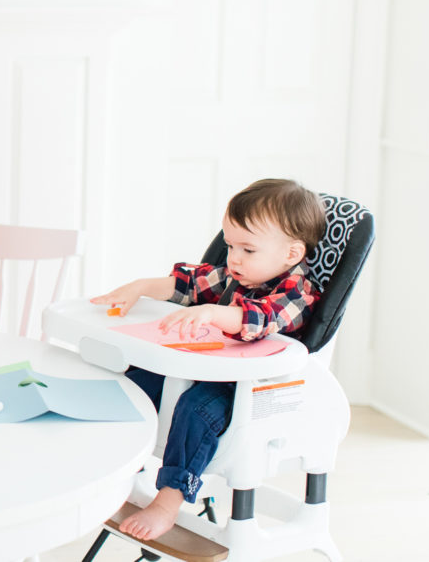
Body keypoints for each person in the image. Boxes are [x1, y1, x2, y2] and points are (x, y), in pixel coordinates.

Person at [90, 178, 326, 541]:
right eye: (230, 245)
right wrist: (140, 287)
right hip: (205, 371)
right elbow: (187, 283)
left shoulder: (297, 292)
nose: (233, 258)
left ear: (291, 254)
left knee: (195, 408)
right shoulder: (237, 276)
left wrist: (212, 315)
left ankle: (168, 500)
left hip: (253, 394)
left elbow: (259, 318)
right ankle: (117, 472)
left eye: (247, 249)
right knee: (134, 385)